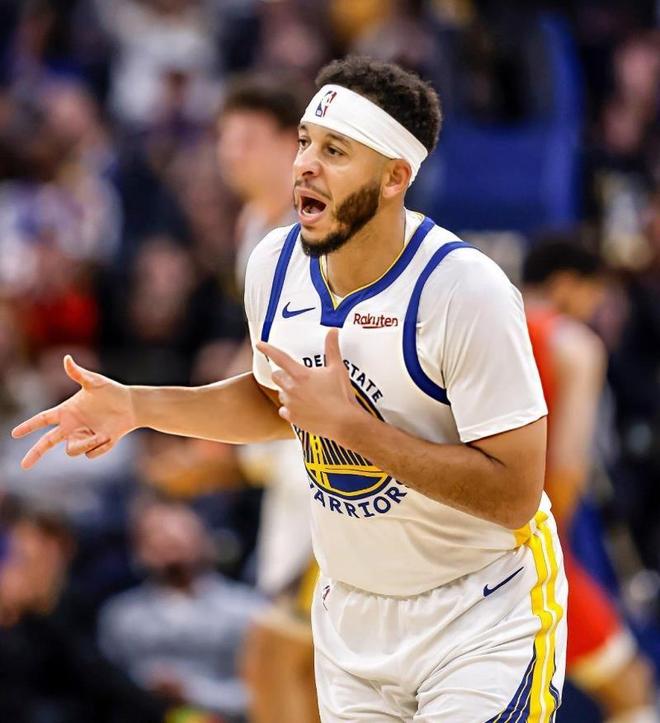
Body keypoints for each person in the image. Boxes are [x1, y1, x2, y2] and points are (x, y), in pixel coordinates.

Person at [12, 56, 566, 722]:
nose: (304, 164)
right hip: (354, 614)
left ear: (395, 177)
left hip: (478, 613)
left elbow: (514, 494)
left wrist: (352, 428)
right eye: (305, 141)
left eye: (335, 150)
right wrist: (137, 405)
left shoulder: (464, 291)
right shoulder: (274, 263)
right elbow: (277, 399)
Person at [523, 240, 659, 723]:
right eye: (595, 297)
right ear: (566, 284)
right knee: (631, 685)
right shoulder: (572, 344)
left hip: (446, 547)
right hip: (525, 548)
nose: (598, 311)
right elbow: (567, 469)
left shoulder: (474, 324)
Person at [98, 495, 264, 722]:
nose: (167, 541)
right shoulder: (120, 616)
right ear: (139, 551)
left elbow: (264, 694)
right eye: (155, 536)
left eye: (179, 535)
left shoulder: (248, 611)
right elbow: (105, 691)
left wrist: (192, 691)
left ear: (205, 541)